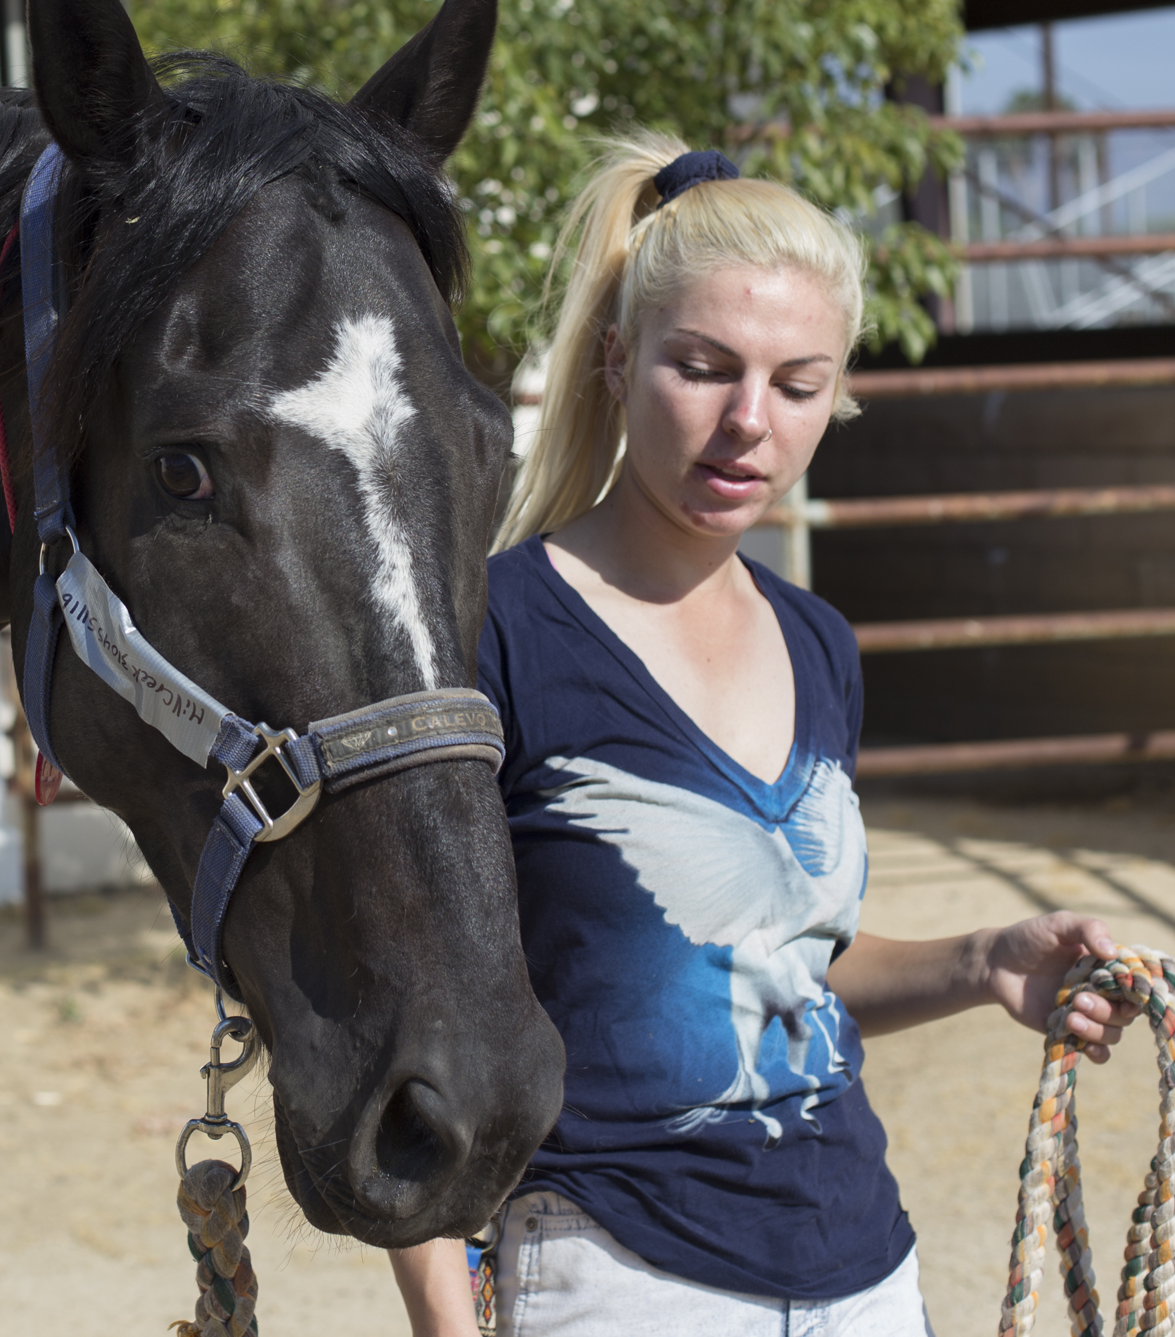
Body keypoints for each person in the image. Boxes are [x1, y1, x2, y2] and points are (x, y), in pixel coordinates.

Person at [387, 133, 1137, 1336]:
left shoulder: (818, 642)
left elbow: (783, 951)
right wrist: (442, 1315)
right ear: (617, 360)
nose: (747, 422)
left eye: (795, 385)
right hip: (614, 1274)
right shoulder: (490, 632)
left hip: (863, 1270)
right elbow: (405, 1000)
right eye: (701, 367)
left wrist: (982, 960)